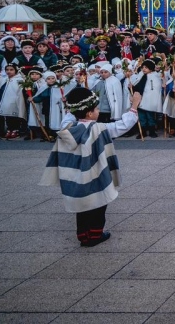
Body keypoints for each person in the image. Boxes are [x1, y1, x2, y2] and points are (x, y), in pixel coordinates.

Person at [40, 87, 143, 247]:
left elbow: (68, 116)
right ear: (89, 113)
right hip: (94, 174)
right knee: (98, 205)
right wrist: (134, 105)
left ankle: (83, 235)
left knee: (81, 207)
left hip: (76, 176)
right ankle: (95, 235)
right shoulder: (99, 128)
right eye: (96, 108)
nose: (98, 111)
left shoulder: (67, 127)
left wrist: (72, 105)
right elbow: (122, 126)